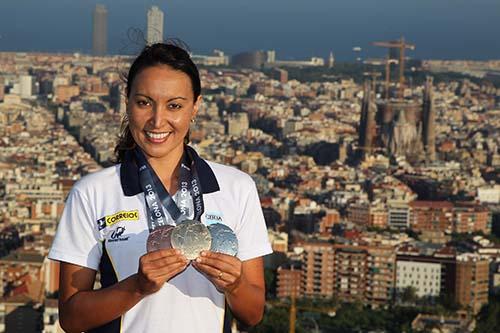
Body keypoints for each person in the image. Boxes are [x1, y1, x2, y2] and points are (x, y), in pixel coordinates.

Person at [48, 42, 272, 332]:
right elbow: (71, 318)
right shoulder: (92, 193)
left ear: (196, 107)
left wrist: (235, 284)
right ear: (127, 103)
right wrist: (137, 286)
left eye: (174, 105)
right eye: (144, 102)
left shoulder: (236, 188)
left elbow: (253, 313)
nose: (157, 120)